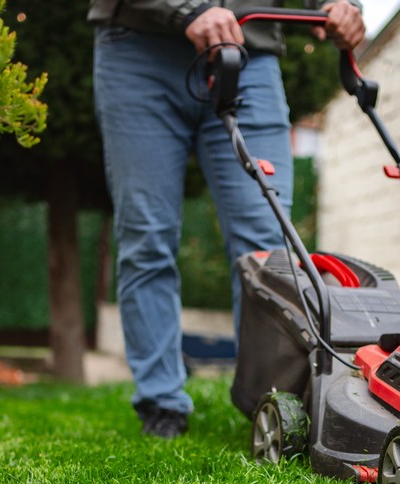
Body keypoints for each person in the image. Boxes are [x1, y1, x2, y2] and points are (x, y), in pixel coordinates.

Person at [90, 0, 364, 438]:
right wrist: (185, 10)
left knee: (267, 248)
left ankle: (271, 399)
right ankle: (162, 403)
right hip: (140, 49)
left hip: (249, 54)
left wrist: (338, 5)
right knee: (147, 236)